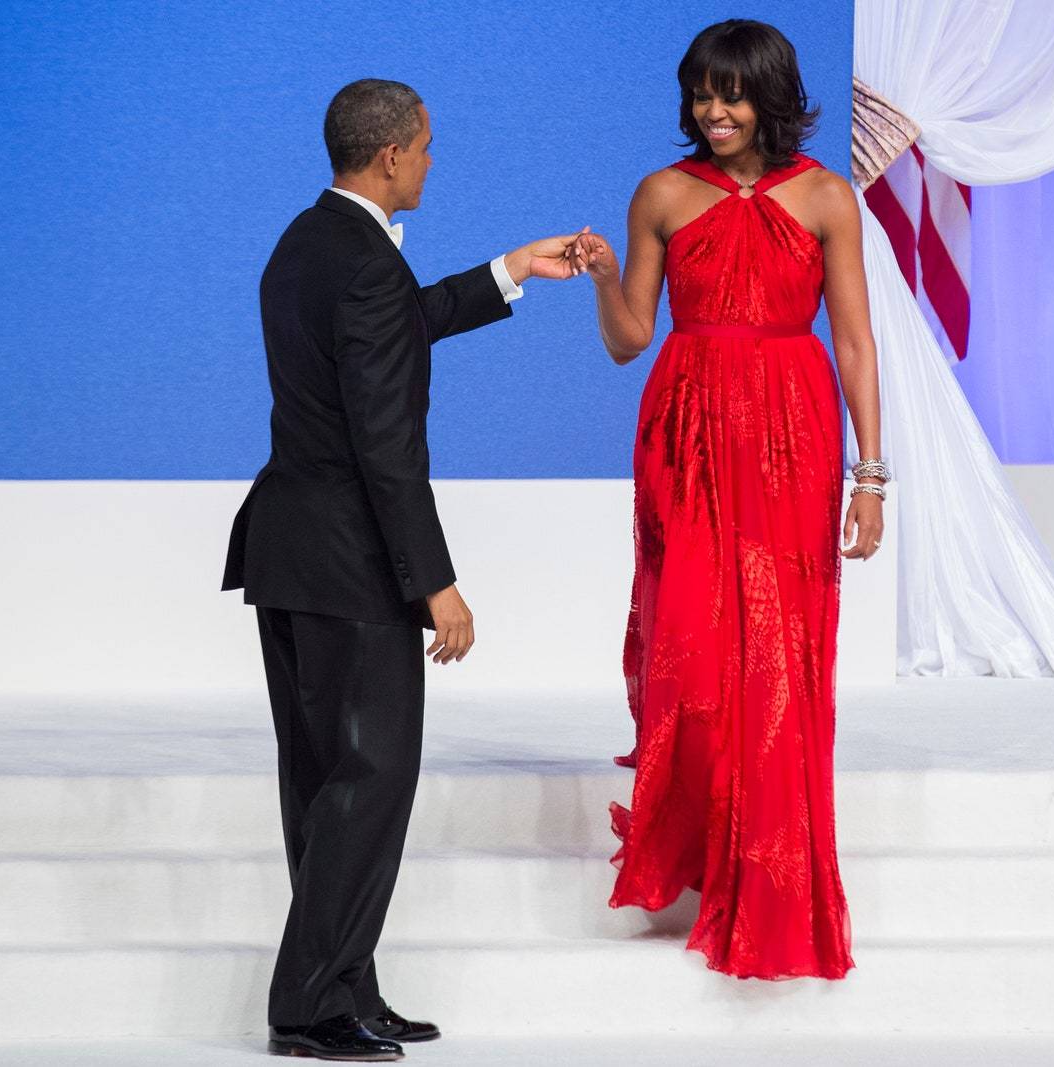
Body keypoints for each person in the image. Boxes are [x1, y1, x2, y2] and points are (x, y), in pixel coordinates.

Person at [222, 78, 584, 1060]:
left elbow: (385, 331)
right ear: (390, 156)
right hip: (351, 563)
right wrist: (436, 582)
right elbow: (386, 442)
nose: (430, 161)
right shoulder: (363, 265)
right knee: (370, 777)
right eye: (425, 147)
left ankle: (345, 983)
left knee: (324, 780)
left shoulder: (307, 244)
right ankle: (306, 1003)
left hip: (288, 548)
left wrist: (506, 270)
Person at [568, 20, 882, 980]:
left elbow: (858, 342)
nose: (715, 112)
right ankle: (708, 851)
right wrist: (606, 275)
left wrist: (873, 475)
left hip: (794, 433)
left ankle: (774, 876)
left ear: (773, 96)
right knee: (696, 649)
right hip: (690, 430)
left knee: (781, 646)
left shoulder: (828, 197)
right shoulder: (662, 194)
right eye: (702, 94)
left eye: (734, 94)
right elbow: (630, 340)